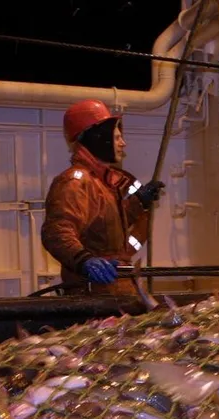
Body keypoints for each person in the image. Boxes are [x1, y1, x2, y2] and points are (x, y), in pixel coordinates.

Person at [41, 99, 165, 294]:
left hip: (116, 288)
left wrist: (138, 203)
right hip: (94, 294)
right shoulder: (75, 182)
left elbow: (103, 226)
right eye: (116, 137)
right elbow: (56, 232)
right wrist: (84, 261)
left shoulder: (103, 182)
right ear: (97, 136)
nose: (123, 143)